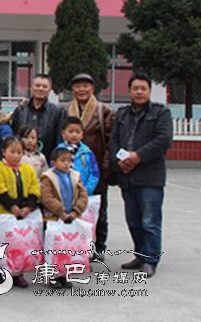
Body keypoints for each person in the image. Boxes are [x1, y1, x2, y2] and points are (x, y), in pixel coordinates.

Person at [109, 73, 173, 278]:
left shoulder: (161, 112)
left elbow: (163, 139)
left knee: (150, 221)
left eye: (143, 88)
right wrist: (119, 161)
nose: (139, 92)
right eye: (135, 88)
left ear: (149, 91)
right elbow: (113, 140)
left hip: (150, 177)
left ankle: (151, 260)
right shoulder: (122, 114)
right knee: (134, 221)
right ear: (129, 91)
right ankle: (140, 255)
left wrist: (138, 157)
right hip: (127, 176)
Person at [66, 72, 115, 260]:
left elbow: (111, 142)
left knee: (97, 210)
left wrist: (105, 168)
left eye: (85, 86)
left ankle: (98, 246)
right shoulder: (65, 110)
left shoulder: (103, 111)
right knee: (71, 207)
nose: (82, 89)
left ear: (93, 88)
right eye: (78, 86)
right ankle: (75, 245)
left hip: (96, 170)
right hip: (69, 169)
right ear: (72, 89)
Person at [0, 136, 41, 288]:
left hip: (23, 212)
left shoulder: (28, 169)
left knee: (20, 245)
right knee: (4, 245)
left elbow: (34, 188)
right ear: (4, 151)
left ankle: (18, 273)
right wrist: (12, 207)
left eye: (19, 152)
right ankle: (4, 272)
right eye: (12, 152)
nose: (16, 155)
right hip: (3, 211)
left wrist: (28, 207)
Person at [39, 147, 89, 289]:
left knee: (67, 248)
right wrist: (61, 212)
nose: (67, 164)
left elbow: (83, 195)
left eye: (69, 161)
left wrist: (76, 211)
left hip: (71, 216)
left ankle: (64, 274)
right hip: (54, 218)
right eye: (63, 161)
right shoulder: (48, 177)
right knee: (53, 248)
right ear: (53, 162)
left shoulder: (75, 176)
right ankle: (52, 275)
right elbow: (46, 197)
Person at [9, 74, 65, 161]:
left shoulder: (58, 112)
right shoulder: (20, 110)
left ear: (50, 90)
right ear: (31, 87)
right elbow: (14, 136)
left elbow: (59, 140)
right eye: (37, 85)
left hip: (47, 161)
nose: (40, 88)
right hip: (21, 161)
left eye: (44, 86)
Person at [58, 117, 100, 196]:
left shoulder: (87, 152)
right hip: (62, 195)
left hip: (83, 193)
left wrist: (86, 190)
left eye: (78, 132)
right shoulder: (58, 151)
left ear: (82, 134)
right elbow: (53, 172)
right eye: (70, 131)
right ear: (63, 133)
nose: (74, 135)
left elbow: (94, 174)